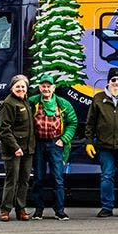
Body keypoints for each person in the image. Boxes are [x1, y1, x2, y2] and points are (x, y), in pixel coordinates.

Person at [85, 66, 118, 218]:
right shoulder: (98, 98)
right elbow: (90, 122)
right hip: (104, 145)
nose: (116, 82)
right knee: (106, 176)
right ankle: (106, 207)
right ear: (108, 81)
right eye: (113, 79)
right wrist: (89, 141)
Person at [28, 74, 77, 221]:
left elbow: (72, 123)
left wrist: (64, 139)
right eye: (43, 86)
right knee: (38, 178)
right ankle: (38, 210)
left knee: (58, 178)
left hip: (56, 145)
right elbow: (18, 117)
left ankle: (59, 211)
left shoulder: (63, 104)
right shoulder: (32, 102)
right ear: (39, 88)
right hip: (38, 144)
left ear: (53, 88)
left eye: (49, 86)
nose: (46, 89)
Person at [0, 74, 35, 222]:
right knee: (12, 180)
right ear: (12, 88)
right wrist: (15, 147)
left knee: (24, 180)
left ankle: (21, 209)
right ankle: (5, 210)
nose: (20, 89)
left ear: (26, 88)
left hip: (28, 149)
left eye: (23, 86)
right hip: (13, 150)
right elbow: (5, 129)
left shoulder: (26, 102)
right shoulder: (8, 103)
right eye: (17, 86)